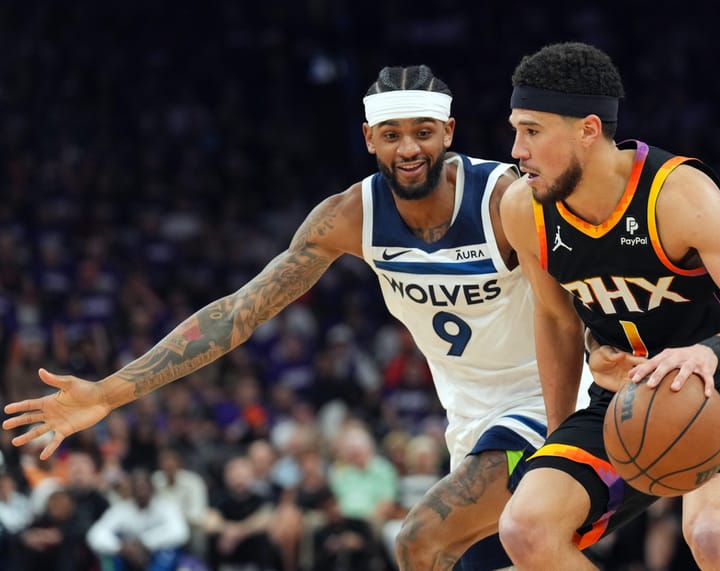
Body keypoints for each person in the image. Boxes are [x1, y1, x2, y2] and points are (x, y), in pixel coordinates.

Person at [2, 64, 602, 569]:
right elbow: (238, 314)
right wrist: (108, 393)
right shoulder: (348, 216)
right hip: (468, 421)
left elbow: (573, 305)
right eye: (392, 134)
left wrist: (569, 423)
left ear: (449, 130)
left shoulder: (505, 201)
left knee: (420, 542)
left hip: (547, 400)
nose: (410, 148)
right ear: (370, 138)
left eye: (423, 131)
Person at [496, 41, 720, 570]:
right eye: (515, 129)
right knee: (525, 529)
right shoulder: (524, 208)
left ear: (588, 130)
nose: (516, 149)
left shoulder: (676, 195)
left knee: (711, 536)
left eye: (532, 130)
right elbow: (555, 320)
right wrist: (558, 435)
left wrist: (707, 354)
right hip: (623, 392)